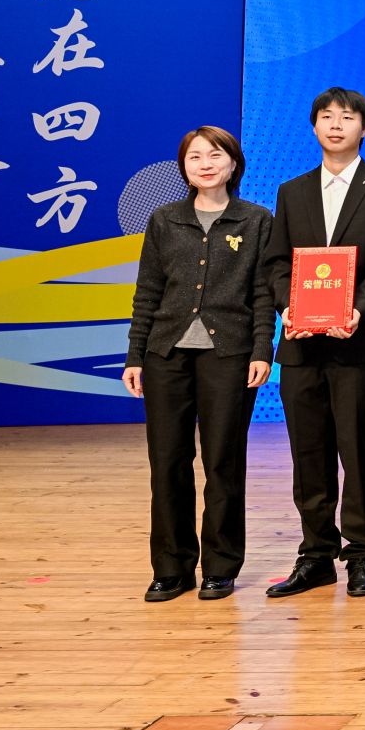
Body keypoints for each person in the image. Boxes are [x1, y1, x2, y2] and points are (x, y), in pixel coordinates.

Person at [262, 87, 365, 599]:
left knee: (357, 450)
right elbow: (277, 261)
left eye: (346, 117)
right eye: (326, 117)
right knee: (308, 453)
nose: (335, 125)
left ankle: (362, 553)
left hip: (359, 342)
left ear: (363, 128)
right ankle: (315, 554)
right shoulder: (292, 191)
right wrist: (288, 308)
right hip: (301, 343)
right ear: (313, 126)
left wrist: (358, 309)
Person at [123, 127, 275, 602]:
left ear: (233, 164)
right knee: (167, 462)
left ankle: (221, 567)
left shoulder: (256, 220)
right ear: (184, 168)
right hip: (165, 354)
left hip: (229, 355)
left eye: (215, 155)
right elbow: (147, 291)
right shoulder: (164, 220)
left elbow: (263, 293)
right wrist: (135, 355)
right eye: (195, 157)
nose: (205, 164)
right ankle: (171, 568)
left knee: (222, 462)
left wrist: (262, 349)